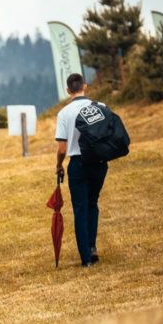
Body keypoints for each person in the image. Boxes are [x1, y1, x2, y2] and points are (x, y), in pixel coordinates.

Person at [55, 73, 106, 267]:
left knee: (80, 208)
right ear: (85, 86)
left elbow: (61, 148)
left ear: (68, 90)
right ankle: (92, 247)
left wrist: (59, 165)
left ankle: (86, 258)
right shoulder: (100, 107)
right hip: (100, 163)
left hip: (78, 163)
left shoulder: (64, 113)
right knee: (93, 203)